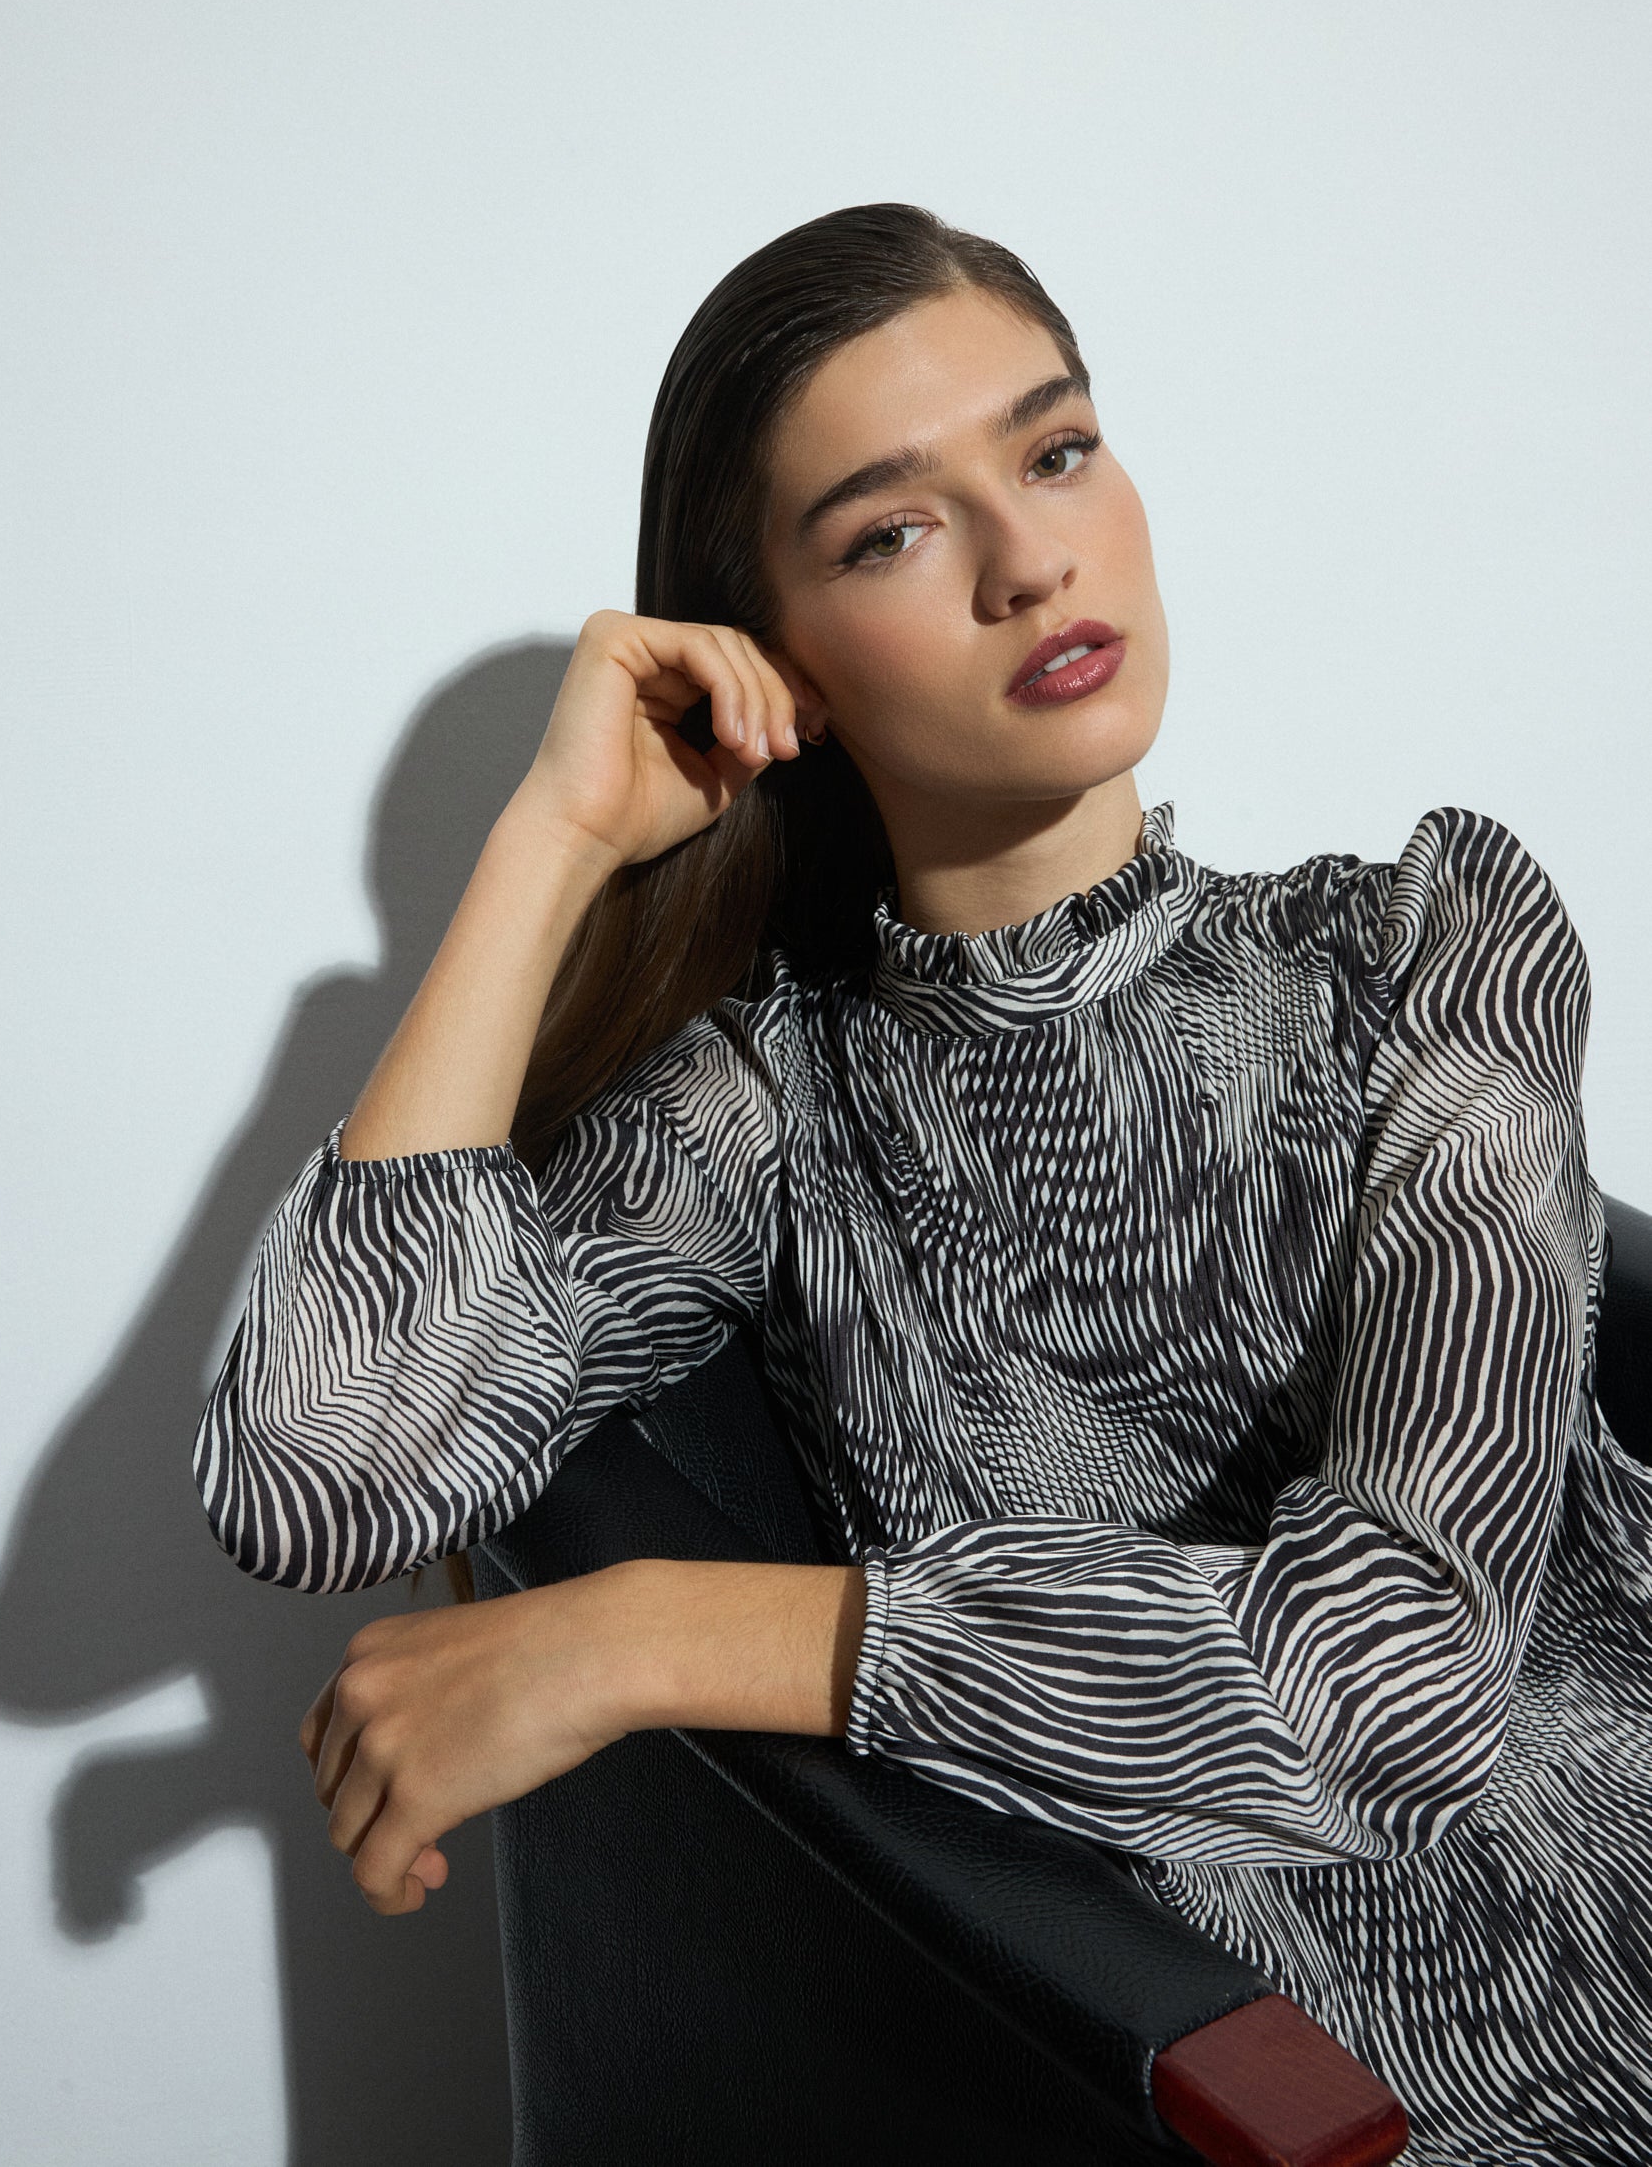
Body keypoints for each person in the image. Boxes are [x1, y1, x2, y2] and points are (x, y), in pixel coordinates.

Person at [195, 203, 1652, 2166]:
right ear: (773, 659)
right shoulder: (773, 1106)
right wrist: (551, 837)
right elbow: (320, 1465)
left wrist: (634, 1634)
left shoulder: (1434, 944)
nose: (1032, 554)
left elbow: (1382, 1689)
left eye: (1055, 448)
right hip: (1280, 2086)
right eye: (890, 529)